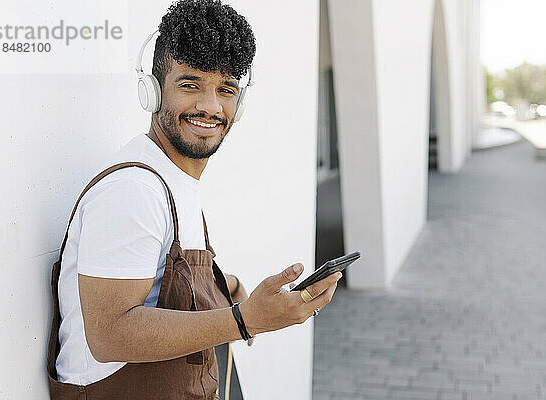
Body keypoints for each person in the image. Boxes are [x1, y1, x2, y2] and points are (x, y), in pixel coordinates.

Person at [46, 0, 341, 398]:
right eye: (190, 85)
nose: (210, 106)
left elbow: (167, 283)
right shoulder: (134, 190)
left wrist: (228, 286)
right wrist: (243, 320)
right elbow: (110, 335)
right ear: (152, 90)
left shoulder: (176, 181)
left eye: (226, 89)